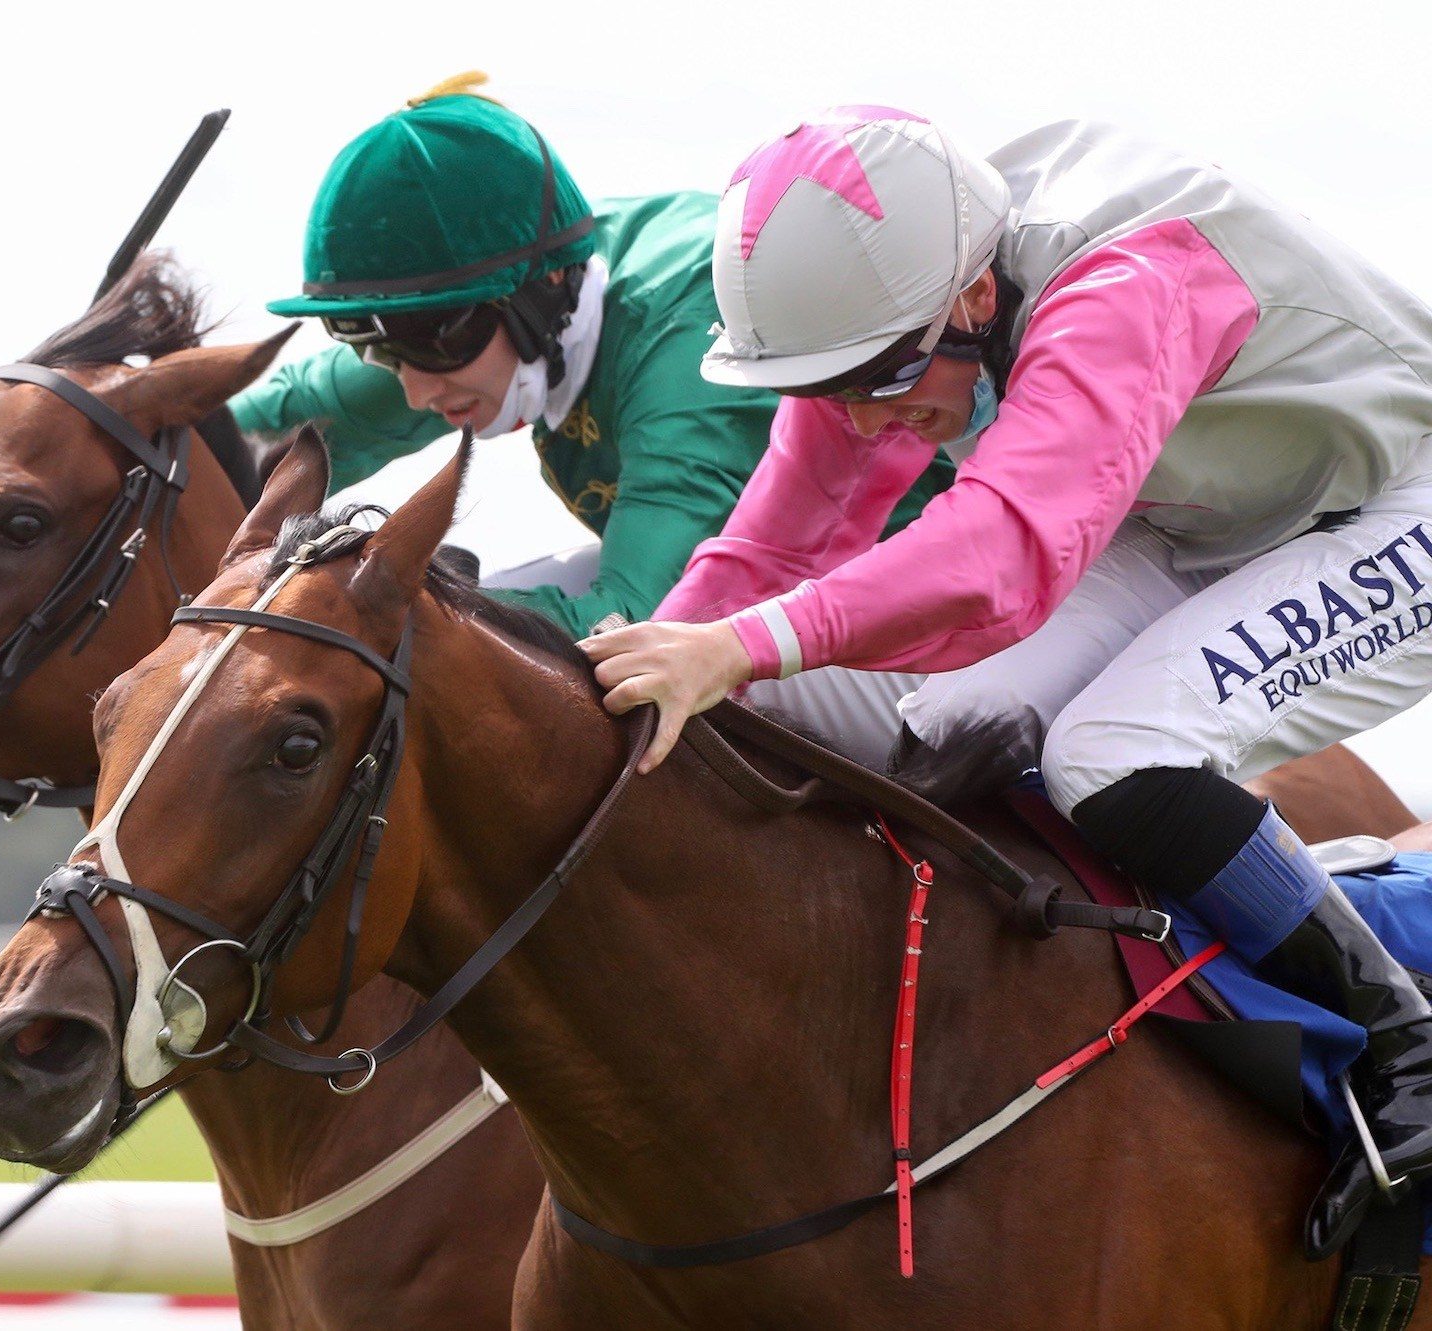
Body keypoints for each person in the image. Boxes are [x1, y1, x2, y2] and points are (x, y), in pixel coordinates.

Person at [580, 107, 1432, 1255]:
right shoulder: (903, 297)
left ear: (977, 302)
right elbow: (766, 554)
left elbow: (1000, 558)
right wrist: (649, 679)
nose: (864, 417)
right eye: (830, 386)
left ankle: (1402, 1035)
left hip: (1390, 507)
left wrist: (740, 646)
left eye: (881, 377)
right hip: (1201, 506)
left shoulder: (1124, 282)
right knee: (952, 728)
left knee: (1111, 752)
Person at [233, 76, 955, 638]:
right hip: (736, 589)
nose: (415, 387)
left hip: (922, 605)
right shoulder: (514, 303)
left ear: (545, 287)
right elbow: (242, 439)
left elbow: (641, 621)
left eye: (429, 337)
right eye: (373, 348)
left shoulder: (683, 352)